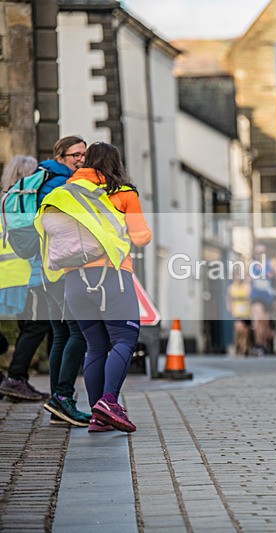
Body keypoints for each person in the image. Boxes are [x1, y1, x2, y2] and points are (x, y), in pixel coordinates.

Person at [58, 142, 152, 433]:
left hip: (74, 280)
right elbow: (140, 237)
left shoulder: (65, 192)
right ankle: (109, 402)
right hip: (112, 276)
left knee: (96, 346)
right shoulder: (123, 193)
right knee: (125, 339)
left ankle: (98, 416)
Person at [35, 136, 93, 427]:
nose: (81, 160)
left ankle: (57, 403)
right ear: (60, 156)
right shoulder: (60, 185)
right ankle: (63, 397)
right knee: (78, 333)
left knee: (60, 335)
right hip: (61, 271)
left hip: (46, 270)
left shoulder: (45, 179)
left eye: (84, 154)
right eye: (75, 155)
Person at [0, 155, 51, 403]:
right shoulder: (25, 204)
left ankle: (14, 379)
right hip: (25, 276)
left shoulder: (5, 202)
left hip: (7, 277)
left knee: (27, 328)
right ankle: (16, 378)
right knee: (37, 325)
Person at [250, 244, 276, 356]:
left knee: (265, 322)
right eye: (258, 252)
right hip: (257, 296)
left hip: (268, 297)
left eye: (262, 252)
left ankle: (264, 343)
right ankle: (258, 345)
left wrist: (273, 274)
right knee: (259, 319)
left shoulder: (270, 264)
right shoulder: (251, 265)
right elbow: (247, 280)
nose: (260, 255)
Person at [226, 275, 252, 356]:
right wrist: (229, 307)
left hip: (246, 312)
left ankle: (245, 347)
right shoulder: (231, 288)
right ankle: (238, 346)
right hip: (237, 312)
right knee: (238, 329)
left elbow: (251, 298)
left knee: (245, 332)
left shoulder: (247, 287)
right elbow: (229, 298)